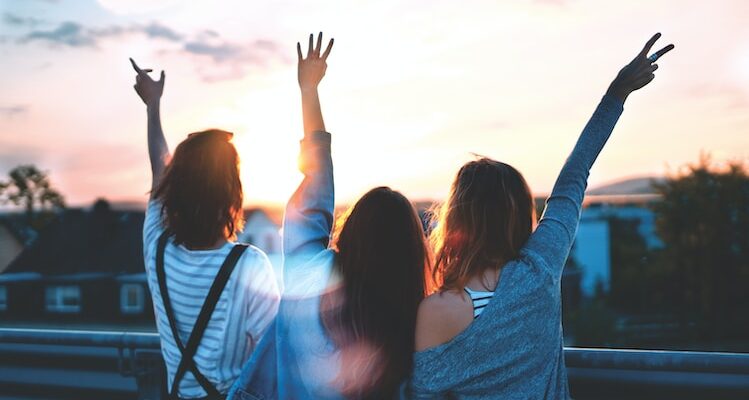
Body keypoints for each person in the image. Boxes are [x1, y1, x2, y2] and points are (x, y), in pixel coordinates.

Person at [409, 33, 675, 399]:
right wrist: (616, 94)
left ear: (456, 219)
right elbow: (573, 178)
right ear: (518, 214)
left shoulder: (435, 311)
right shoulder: (539, 269)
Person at [229, 33, 432, 400]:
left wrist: (309, 90)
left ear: (352, 231)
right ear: (411, 252)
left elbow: (316, 186)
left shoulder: (311, 275)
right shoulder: (415, 323)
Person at [131, 58, 281, 399]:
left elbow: (159, 170)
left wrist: (153, 106)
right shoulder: (250, 265)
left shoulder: (157, 246)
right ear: (232, 193)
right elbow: (271, 358)